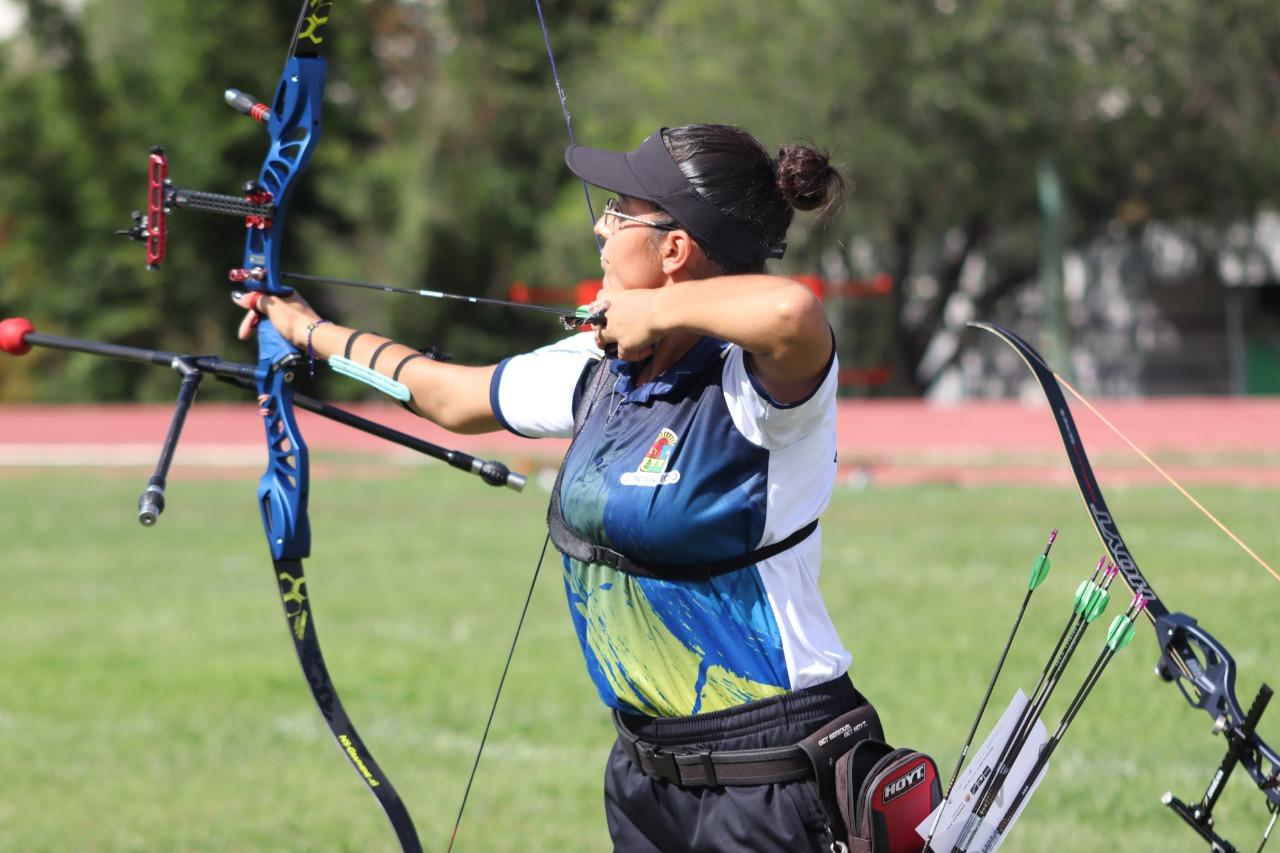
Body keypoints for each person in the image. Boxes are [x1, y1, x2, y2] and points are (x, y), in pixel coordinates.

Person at [234, 124, 863, 852]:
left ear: (674, 247)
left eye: (621, 209)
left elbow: (793, 313)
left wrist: (654, 311)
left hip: (773, 778)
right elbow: (446, 395)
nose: (601, 223)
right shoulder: (604, 368)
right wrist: (308, 331)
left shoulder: (757, 394)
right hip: (648, 777)